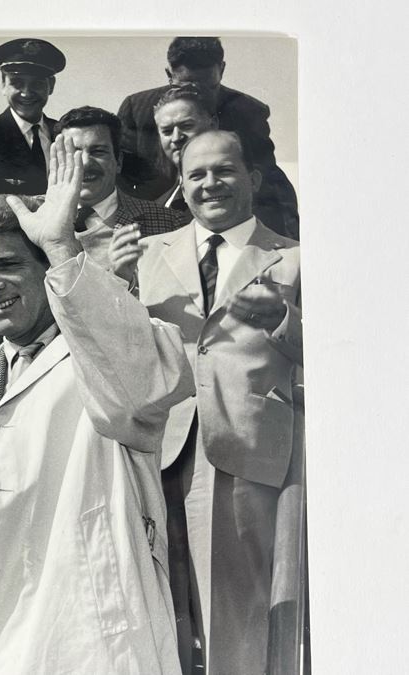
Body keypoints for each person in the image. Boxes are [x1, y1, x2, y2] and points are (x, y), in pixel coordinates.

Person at [0, 136, 194, 674]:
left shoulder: (108, 357)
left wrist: (62, 248)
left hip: (82, 642)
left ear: (47, 270)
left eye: (8, 265)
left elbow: (144, 380)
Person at [104, 130, 302, 674]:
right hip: (152, 451)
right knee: (154, 605)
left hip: (245, 455)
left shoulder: (294, 258)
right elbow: (117, 349)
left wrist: (284, 323)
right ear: (181, 186)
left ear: (253, 179)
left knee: (235, 611)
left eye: (224, 171)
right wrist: (115, 287)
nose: (209, 183)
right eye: (196, 175)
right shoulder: (140, 255)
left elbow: (335, 360)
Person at [117, 36, 300, 240]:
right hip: (154, 223)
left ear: (221, 70)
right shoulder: (137, 109)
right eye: (185, 88)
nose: (199, 98)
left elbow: (269, 183)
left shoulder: (248, 112)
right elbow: (121, 181)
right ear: (169, 74)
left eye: (208, 88)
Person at [54, 106, 189, 251]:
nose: (85, 163)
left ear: (118, 161)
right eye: (74, 153)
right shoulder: (34, 217)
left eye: (98, 152)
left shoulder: (169, 224)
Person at [0, 38, 65, 199]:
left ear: (51, 85)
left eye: (37, 84)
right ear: (3, 85)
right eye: (17, 83)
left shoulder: (62, 135)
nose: (26, 93)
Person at [150, 84, 218, 209]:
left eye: (187, 126)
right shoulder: (158, 207)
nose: (176, 138)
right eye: (167, 131)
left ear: (212, 125)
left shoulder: (239, 191)